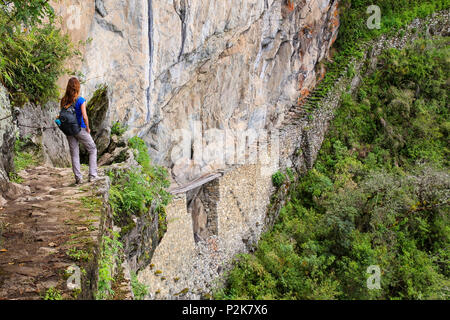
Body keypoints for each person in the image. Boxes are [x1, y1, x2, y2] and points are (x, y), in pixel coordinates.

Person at [60, 77, 98, 184]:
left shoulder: (63, 100)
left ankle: (78, 178)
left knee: (74, 154)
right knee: (92, 149)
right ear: (77, 87)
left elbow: (62, 116)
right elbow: (85, 116)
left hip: (68, 131)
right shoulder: (80, 100)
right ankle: (92, 176)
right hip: (80, 129)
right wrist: (88, 127)